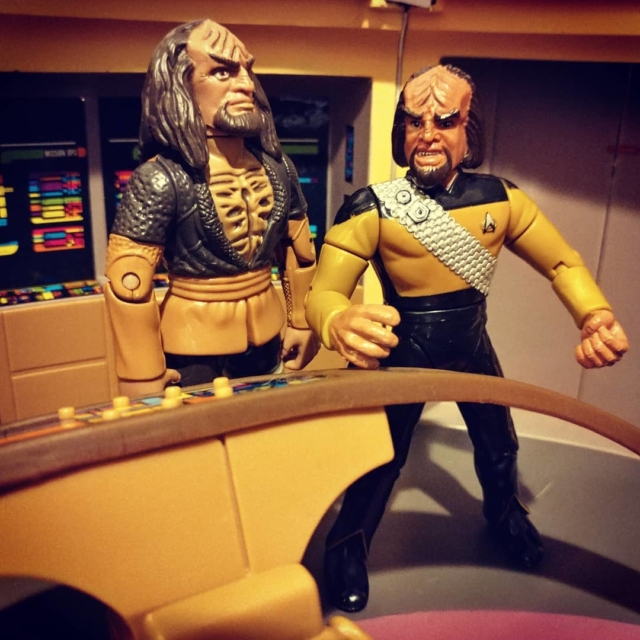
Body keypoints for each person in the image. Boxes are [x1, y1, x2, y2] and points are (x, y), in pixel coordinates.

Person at [305, 64, 629, 613]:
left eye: (444, 120)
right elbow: (324, 291)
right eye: (415, 122)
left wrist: (594, 314)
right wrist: (336, 321)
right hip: (405, 353)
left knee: (499, 445)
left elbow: (561, 263)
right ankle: (347, 545)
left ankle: (506, 517)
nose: (427, 134)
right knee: (381, 458)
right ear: (401, 131)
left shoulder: (503, 199)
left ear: (467, 129)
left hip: (473, 345)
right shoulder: (373, 207)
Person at [105, 19, 319, 398]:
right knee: (198, 431)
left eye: (247, 70)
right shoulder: (159, 179)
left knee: (267, 421)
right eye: (222, 71)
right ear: (180, 85)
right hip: (193, 343)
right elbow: (129, 284)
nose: (246, 84)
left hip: (267, 332)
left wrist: (302, 320)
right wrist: (141, 373)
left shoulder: (278, 167)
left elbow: (298, 252)